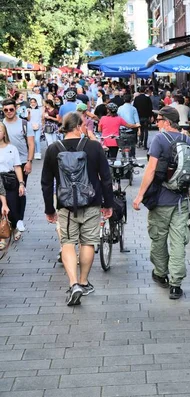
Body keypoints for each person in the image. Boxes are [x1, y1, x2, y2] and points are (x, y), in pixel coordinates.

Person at [41, 112, 114, 306]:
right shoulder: (94, 147)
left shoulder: (52, 149)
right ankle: (83, 281)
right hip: (91, 202)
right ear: (79, 127)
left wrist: (50, 208)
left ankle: (73, 284)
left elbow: (46, 183)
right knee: (88, 242)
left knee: (67, 242)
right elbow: (106, 178)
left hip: (65, 205)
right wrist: (108, 204)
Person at [132, 106, 190, 300]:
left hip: (161, 199)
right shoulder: (189, 140)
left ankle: (161, 274)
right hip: (182, 200)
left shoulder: (160, 139)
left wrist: (139, 195)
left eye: (159, 119)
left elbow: (151, 170)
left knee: (159, 239)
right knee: (178, 242)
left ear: (167, 122)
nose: (156, 122)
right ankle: (176, 284)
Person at [1, 99, 33, 239]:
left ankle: (18, 219)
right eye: (5, 110)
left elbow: (31, 144)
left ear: (16, 109)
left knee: (20, 192)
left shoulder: (24, 124)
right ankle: (9, 220)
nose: (8, 112)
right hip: (5, 163)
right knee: (6, 194)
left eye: (11, 109)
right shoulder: (1, 125)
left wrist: (29, 161)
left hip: (21, 162)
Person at [0, 121, 26, 247]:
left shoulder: (12, 148)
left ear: (4, 133)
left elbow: (17, 167)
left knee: (13, 209)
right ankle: (3, 236)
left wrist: (21, 183)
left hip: (10, 180)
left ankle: (14, 226)